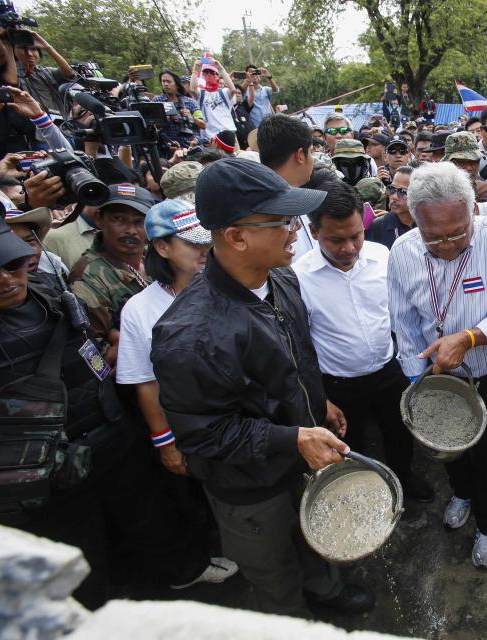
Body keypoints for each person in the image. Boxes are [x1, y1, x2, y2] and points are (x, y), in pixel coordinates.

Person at [150, 158, 373, 615]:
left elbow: (295, 358)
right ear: (236, 236)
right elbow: (202, 434)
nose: (296, 231)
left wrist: (318, 404)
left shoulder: (282, 279)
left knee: (315, 536)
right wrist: (292, 437)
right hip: (250, 487)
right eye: (283, 222)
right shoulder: (190, 335)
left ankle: (326, 590)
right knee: (273, 568)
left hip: (300, 456)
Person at [0, 206, 236, 608]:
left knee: (151, 517)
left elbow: (95, 358)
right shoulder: (126, 298)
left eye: (12, 264)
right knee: (78, 556)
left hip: (112, 438)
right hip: (42, 470)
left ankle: (182, 572)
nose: (4, 279)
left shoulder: (54, 298)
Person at [388, 162, 487, 568]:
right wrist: (418, 387)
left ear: (473, 211)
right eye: (434, 237)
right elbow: (405, 324)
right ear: (414, 220)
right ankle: (462, 493)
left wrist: (469, 338)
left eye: (457, 233)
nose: (448, 245)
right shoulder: (403, 252)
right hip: (439, 376)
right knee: (448, 447)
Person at [293, 180, 433, 502]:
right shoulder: (298, 278)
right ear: (314, 233)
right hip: (339, 386)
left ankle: (404, 478)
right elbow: (300, 346)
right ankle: (361, 493)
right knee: (349, 443)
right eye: (335, 239)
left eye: (355, 236)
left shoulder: (382, 256)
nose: (348, 248)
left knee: (398, 432)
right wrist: (321, 398)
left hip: (389, 370)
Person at [117, 199, 211, 475]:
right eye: (194, 244)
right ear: (162, 247)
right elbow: (146, 382)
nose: (205, 251)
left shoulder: (229, 289)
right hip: (189, 430)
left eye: (208, 242)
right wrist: (166, 441)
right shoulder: (140, 309)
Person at [68, 184, 154, 360]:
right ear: (99, 220)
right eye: (119, 219)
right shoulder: (87, 276)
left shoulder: (158, 257)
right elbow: (98, 354)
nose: (130, 230)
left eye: (139, 222)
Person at [257, 114, 320, 258]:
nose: (313, 159)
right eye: (311, 152)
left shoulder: (305, 199)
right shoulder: (262, 211)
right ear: (300, 155)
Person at [9, 29, 76, 118]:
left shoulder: (47, 72)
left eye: (33, 49)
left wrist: (47, 47)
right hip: (31, 127)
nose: (29, 53)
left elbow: (69, 73)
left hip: (58, 124)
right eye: (23, 48)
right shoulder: (11, 75)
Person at [152, 69, 204, 151]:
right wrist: (168, 118)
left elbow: (203, 125)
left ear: (177, 84)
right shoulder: (157, 101)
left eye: (169, 82)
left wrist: (190, 117)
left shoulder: (190, 102)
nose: (165, 84)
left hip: (191, 147)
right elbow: (152, 125)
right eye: (163, 81)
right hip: (168, 148)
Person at [190, 58, 240, 141]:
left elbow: (233, 90)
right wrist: (195, 70)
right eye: (206, 73)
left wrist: (221, 69)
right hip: (211, 138)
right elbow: (192, 89)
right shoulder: (201, 94)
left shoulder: (223, 92)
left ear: (218, 76)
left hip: (229, 135)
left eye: (212, 73)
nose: (209, 75)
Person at [366, 165, 414, 249]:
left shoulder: (426, 225)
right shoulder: (377, 227)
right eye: (391, 189)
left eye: (403, 192)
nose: (394, 197)